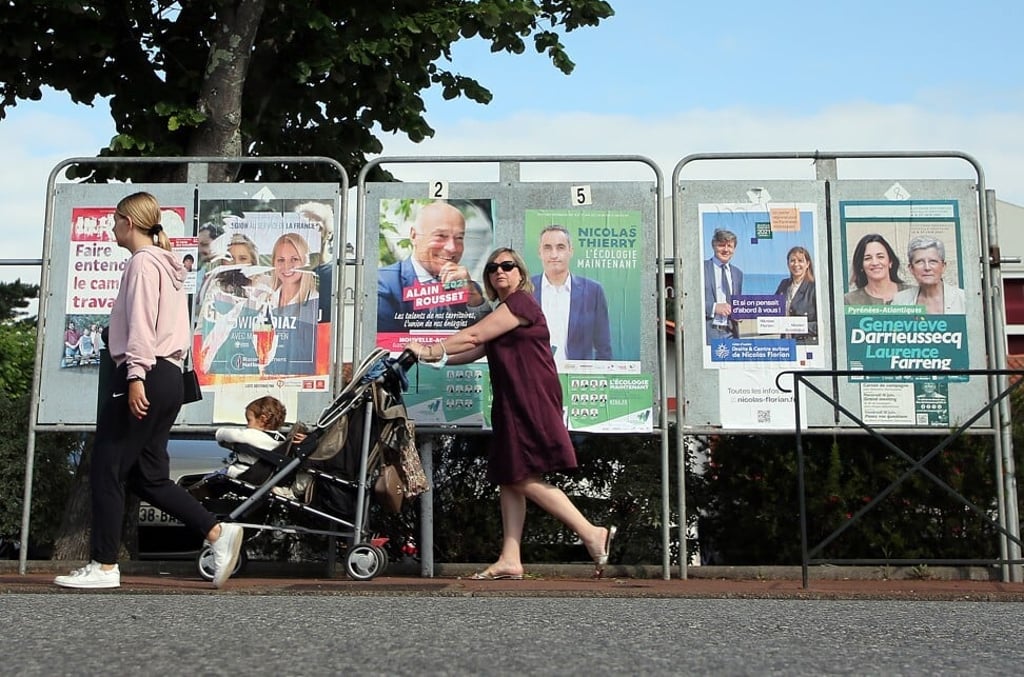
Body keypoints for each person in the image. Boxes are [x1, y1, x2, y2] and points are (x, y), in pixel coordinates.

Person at [54, 191, 243, 590]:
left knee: (107, 466)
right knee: (148, 477)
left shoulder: (142, 263)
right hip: (169, 375)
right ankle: (217, 533)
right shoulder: (167, 265)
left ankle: (104, 567)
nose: (111, 226)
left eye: (115, 219)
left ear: (129, 222)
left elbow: (142, 325)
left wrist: (135, 375)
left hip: (147, 373)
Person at [407, 248, 616, 580]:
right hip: (510, 400)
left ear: (520, 273)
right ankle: (510, 558)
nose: (499, 272)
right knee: (509, 474)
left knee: (520, 474)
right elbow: (474, 348)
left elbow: (474, 335)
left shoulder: (520, 304)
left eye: (508, 266)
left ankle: (591, 532)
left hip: (530, 398)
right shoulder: (501, 312)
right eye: (492, 268)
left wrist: (431, 348)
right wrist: (427, 357)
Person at [377, 201, 490, 333]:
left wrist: (474, 299)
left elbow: (488, 339)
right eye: (441, 236)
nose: (452, 248)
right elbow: (385, 345)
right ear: (414, 236)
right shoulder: (385, 283)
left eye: (459, 238)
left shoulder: (469, 288)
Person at [530, 225, 612, 364]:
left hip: (575, 379)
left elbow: (603, 347)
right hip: (533, 376)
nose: (554, 254)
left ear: (570, 251)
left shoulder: (593, 291)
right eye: (547, 247)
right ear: (540, 253)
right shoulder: (526, 290)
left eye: (560, 247)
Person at [214, 396, 310, 499]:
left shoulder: (253, 435)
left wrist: (219, 432)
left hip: (241, 474)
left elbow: (226, 435)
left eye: (249, 420)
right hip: (261, 476)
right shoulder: (280, 439)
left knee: (208, 480)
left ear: (263, 419)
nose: (247, 426)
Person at [892, 236, 966, 314]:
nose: (927, 268)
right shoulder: (899, 301)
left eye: (933, 261)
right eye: (920, 262)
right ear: (911, 268)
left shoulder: (963, 299)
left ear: (943, 266)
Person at [843, 233, 908, 305]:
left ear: (890, 262)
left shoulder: (914, 294)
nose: (875, 263)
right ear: (861, 265)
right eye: (867, 258)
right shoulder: (850, 300)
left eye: (880, 257)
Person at [703, 228, 744, 342]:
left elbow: (737, 302)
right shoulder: (701, 269)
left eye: (729, 246)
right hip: (708, 333)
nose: (726, 250)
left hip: (731, 333)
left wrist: (740, 313)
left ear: (734, 249)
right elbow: (689, 301)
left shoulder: (738, 274)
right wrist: (714, 307)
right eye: (721, 245)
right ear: (713, 246)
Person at [773, 246, 818, 344]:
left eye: (800, 260)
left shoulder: (815, 288)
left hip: (806, 345)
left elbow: (822, 324)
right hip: (785, 344)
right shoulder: (784, 284)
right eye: (792, 260)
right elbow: (772, 309)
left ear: (807, 264)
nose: (796, 264)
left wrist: (797, 326)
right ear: (788, 264)